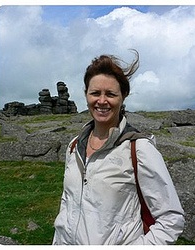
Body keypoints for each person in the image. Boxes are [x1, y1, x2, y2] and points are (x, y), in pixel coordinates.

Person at [52, 50, 185, 245]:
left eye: (111, 94)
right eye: (95, 93)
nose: (102, 101)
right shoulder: (74, 146)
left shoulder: (139, 148)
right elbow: (68, 202)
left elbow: (171, 218)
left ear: (123, 96)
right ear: (86, 95)